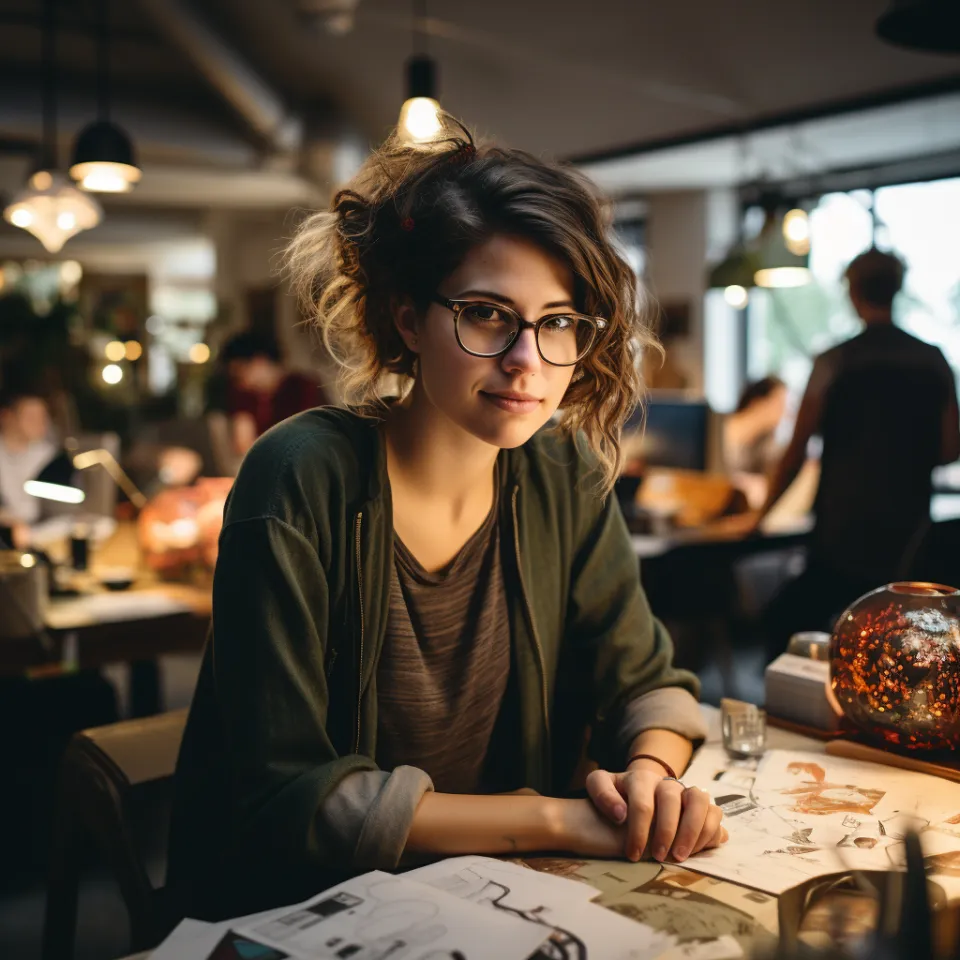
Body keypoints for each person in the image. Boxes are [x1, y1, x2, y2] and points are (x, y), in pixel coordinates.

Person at [168, 122, 726, 921]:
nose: (527, 361)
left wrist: (651, 776)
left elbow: (646, 682)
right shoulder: (300, 476)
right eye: (488, 314)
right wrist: (556, 818)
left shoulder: (561, 471)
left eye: (560, 321)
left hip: (502, 903)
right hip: (303, 913)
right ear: (407, 319)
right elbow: (287, 796)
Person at [753, 248, 960, 660]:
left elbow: (795, 452)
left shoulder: (836, 361)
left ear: (852, 291)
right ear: (897, 289)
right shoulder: (932, 360)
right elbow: (951, 449)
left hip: (841, 539)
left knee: (784, 623)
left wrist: (761, 518)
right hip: (908, 540)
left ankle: (794, 712)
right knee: (894, 645)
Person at [220, 330, 329, 456]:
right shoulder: (244, 395)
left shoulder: (303, 387)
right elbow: (243, 444)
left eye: (240, 371)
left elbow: (313, 439)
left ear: (260, 361)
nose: (239, 380)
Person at [0, 385, 58, 548]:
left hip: (40, 535)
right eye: (31, 417)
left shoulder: (48, 455)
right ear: (7, 417)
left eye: (43, 417)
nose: (40, 424)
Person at [723, 376, 787, 476]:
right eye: (779, 403)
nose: (783, 411)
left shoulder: (767, 435)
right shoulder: (725, 427)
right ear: (757, 402)